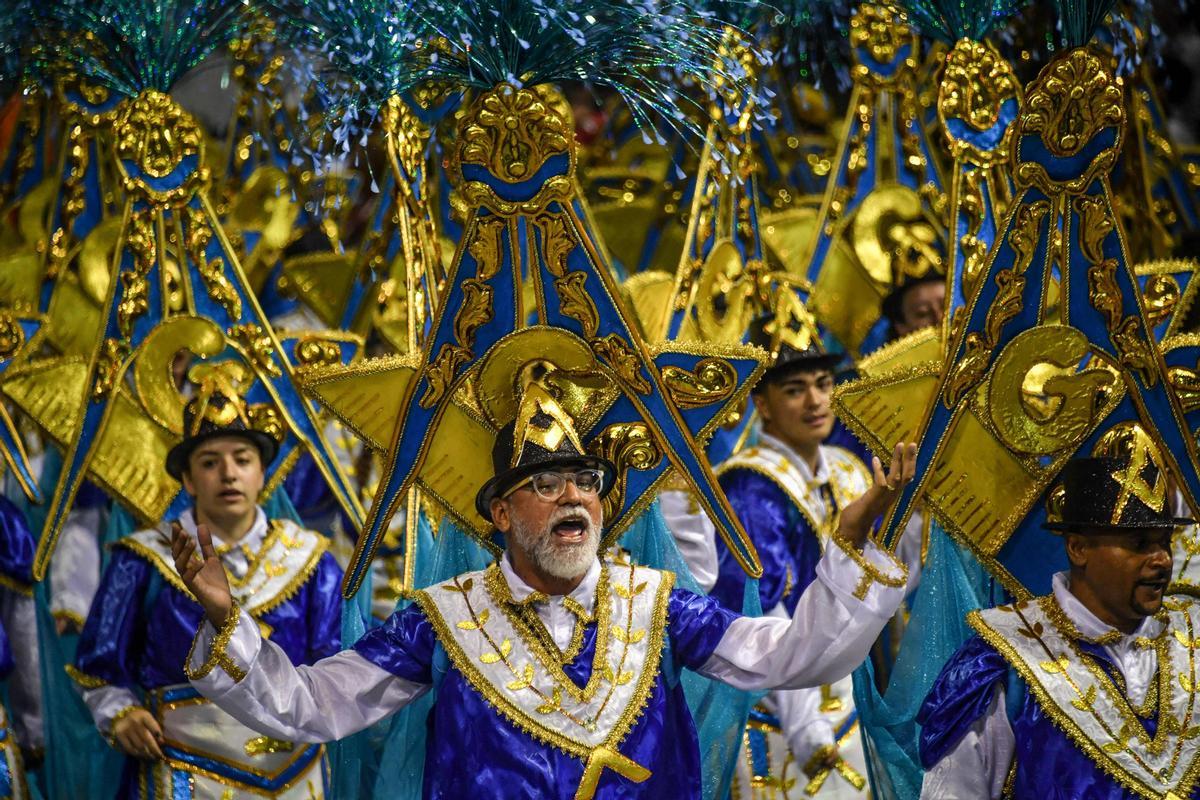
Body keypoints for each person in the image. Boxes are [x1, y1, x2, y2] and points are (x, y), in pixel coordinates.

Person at [174, 358, 918, 800]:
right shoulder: (440, 619)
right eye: (547, 483)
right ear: (500, 510)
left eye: (584, 481)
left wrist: (847, 552)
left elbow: (793, 658)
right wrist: (225, 622)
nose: (573, 497)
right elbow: (310, 706)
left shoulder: (657, 604)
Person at [69, 366, 343, 799]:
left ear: (262, 474)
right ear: (189, 480)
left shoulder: (313, 561)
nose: (229, 474)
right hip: (181, 767)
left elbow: (334, 671)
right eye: (210, 463)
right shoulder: (143, 558)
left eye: (242, 459)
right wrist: (121, 714)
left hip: (296, 773)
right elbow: (98, 667)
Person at [712, 316, 920, 798]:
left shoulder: (850, 469)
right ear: (761, 403)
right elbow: (765, 607)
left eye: (824, 384)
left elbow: (893, 576)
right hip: (787, 705)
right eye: (795, 389)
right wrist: (805, 722)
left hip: (857, 696)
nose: (816, 401)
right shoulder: (749, 483)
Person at [918, 449, 1199, 799]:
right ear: (1078, 548)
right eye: (1139, 543)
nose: (1162, 560)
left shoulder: (1193, 634)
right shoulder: (1003, 664)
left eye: (1164, 542)